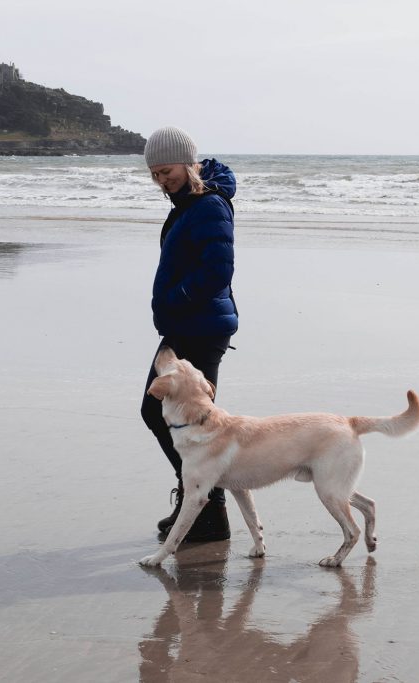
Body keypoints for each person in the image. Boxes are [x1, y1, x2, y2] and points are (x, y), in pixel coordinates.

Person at [140, 126, 239, 542]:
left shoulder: (208, 204)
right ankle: (201, 505)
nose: (163, 181)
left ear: (187, 162)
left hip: (200, 325)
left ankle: (206, 505)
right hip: (189, 323)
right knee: (183, 416)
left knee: (172, 414)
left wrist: (177, 298)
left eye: (168, 171)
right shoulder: (187, 203)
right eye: (156, 175)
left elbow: (219, 270)